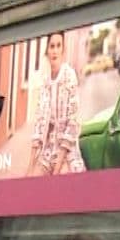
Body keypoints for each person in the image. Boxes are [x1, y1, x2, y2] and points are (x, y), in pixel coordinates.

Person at [31, 30, 87, 175]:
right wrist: (29, 167)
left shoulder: (69, 75)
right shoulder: (45, 81)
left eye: (58, 46)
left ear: (63, 49)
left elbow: (72, 122)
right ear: (47, 51)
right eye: (52, 46)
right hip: (49, 149)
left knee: (64, 184)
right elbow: (40, 121)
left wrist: (56, 169)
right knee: (32, 181)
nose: (55, 51)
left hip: (67, 151)